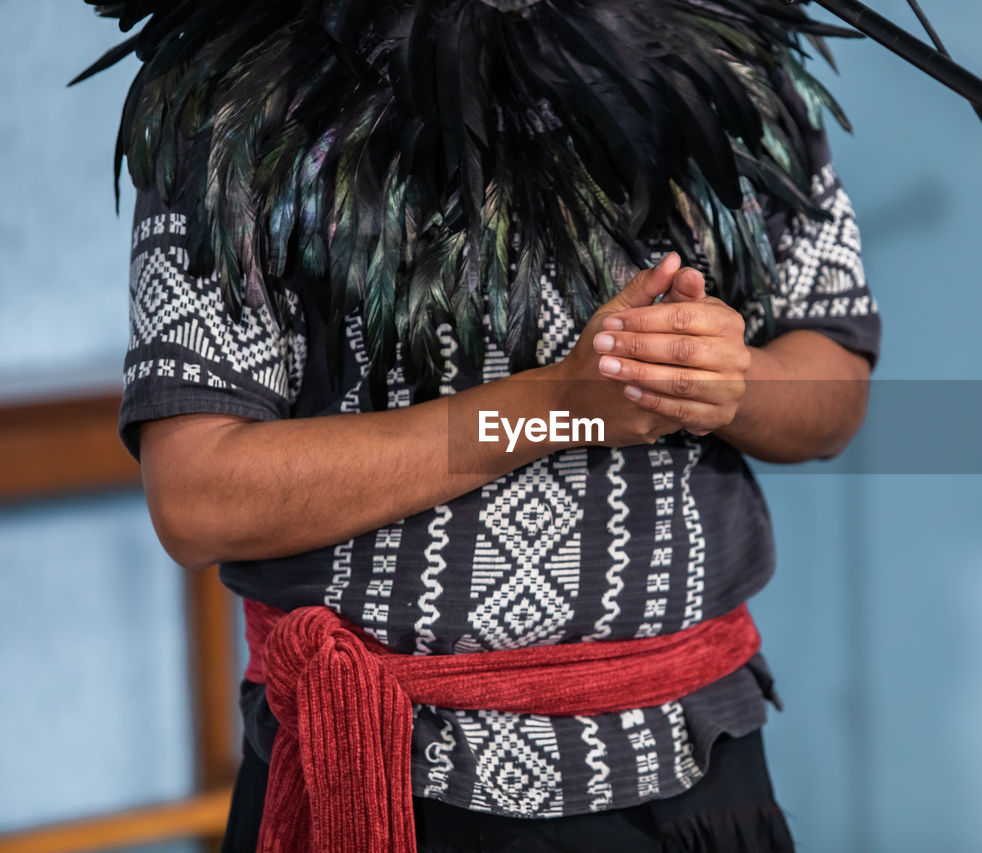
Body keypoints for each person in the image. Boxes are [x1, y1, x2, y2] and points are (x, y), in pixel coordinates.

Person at [85, 0, 881, 849]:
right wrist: (547, 410)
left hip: (701, 760)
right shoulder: (237, 94)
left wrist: (735, 385)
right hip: (397, 779)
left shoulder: (735, 61)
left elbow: (835, 384)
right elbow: (199, 495)